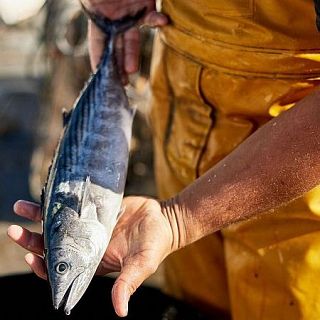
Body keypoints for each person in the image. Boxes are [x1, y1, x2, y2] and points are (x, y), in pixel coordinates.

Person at [7, 0, 320, 319]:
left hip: (291, 172)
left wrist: (179, 219)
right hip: (182, 117)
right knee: (195, 304)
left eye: (62, 265)